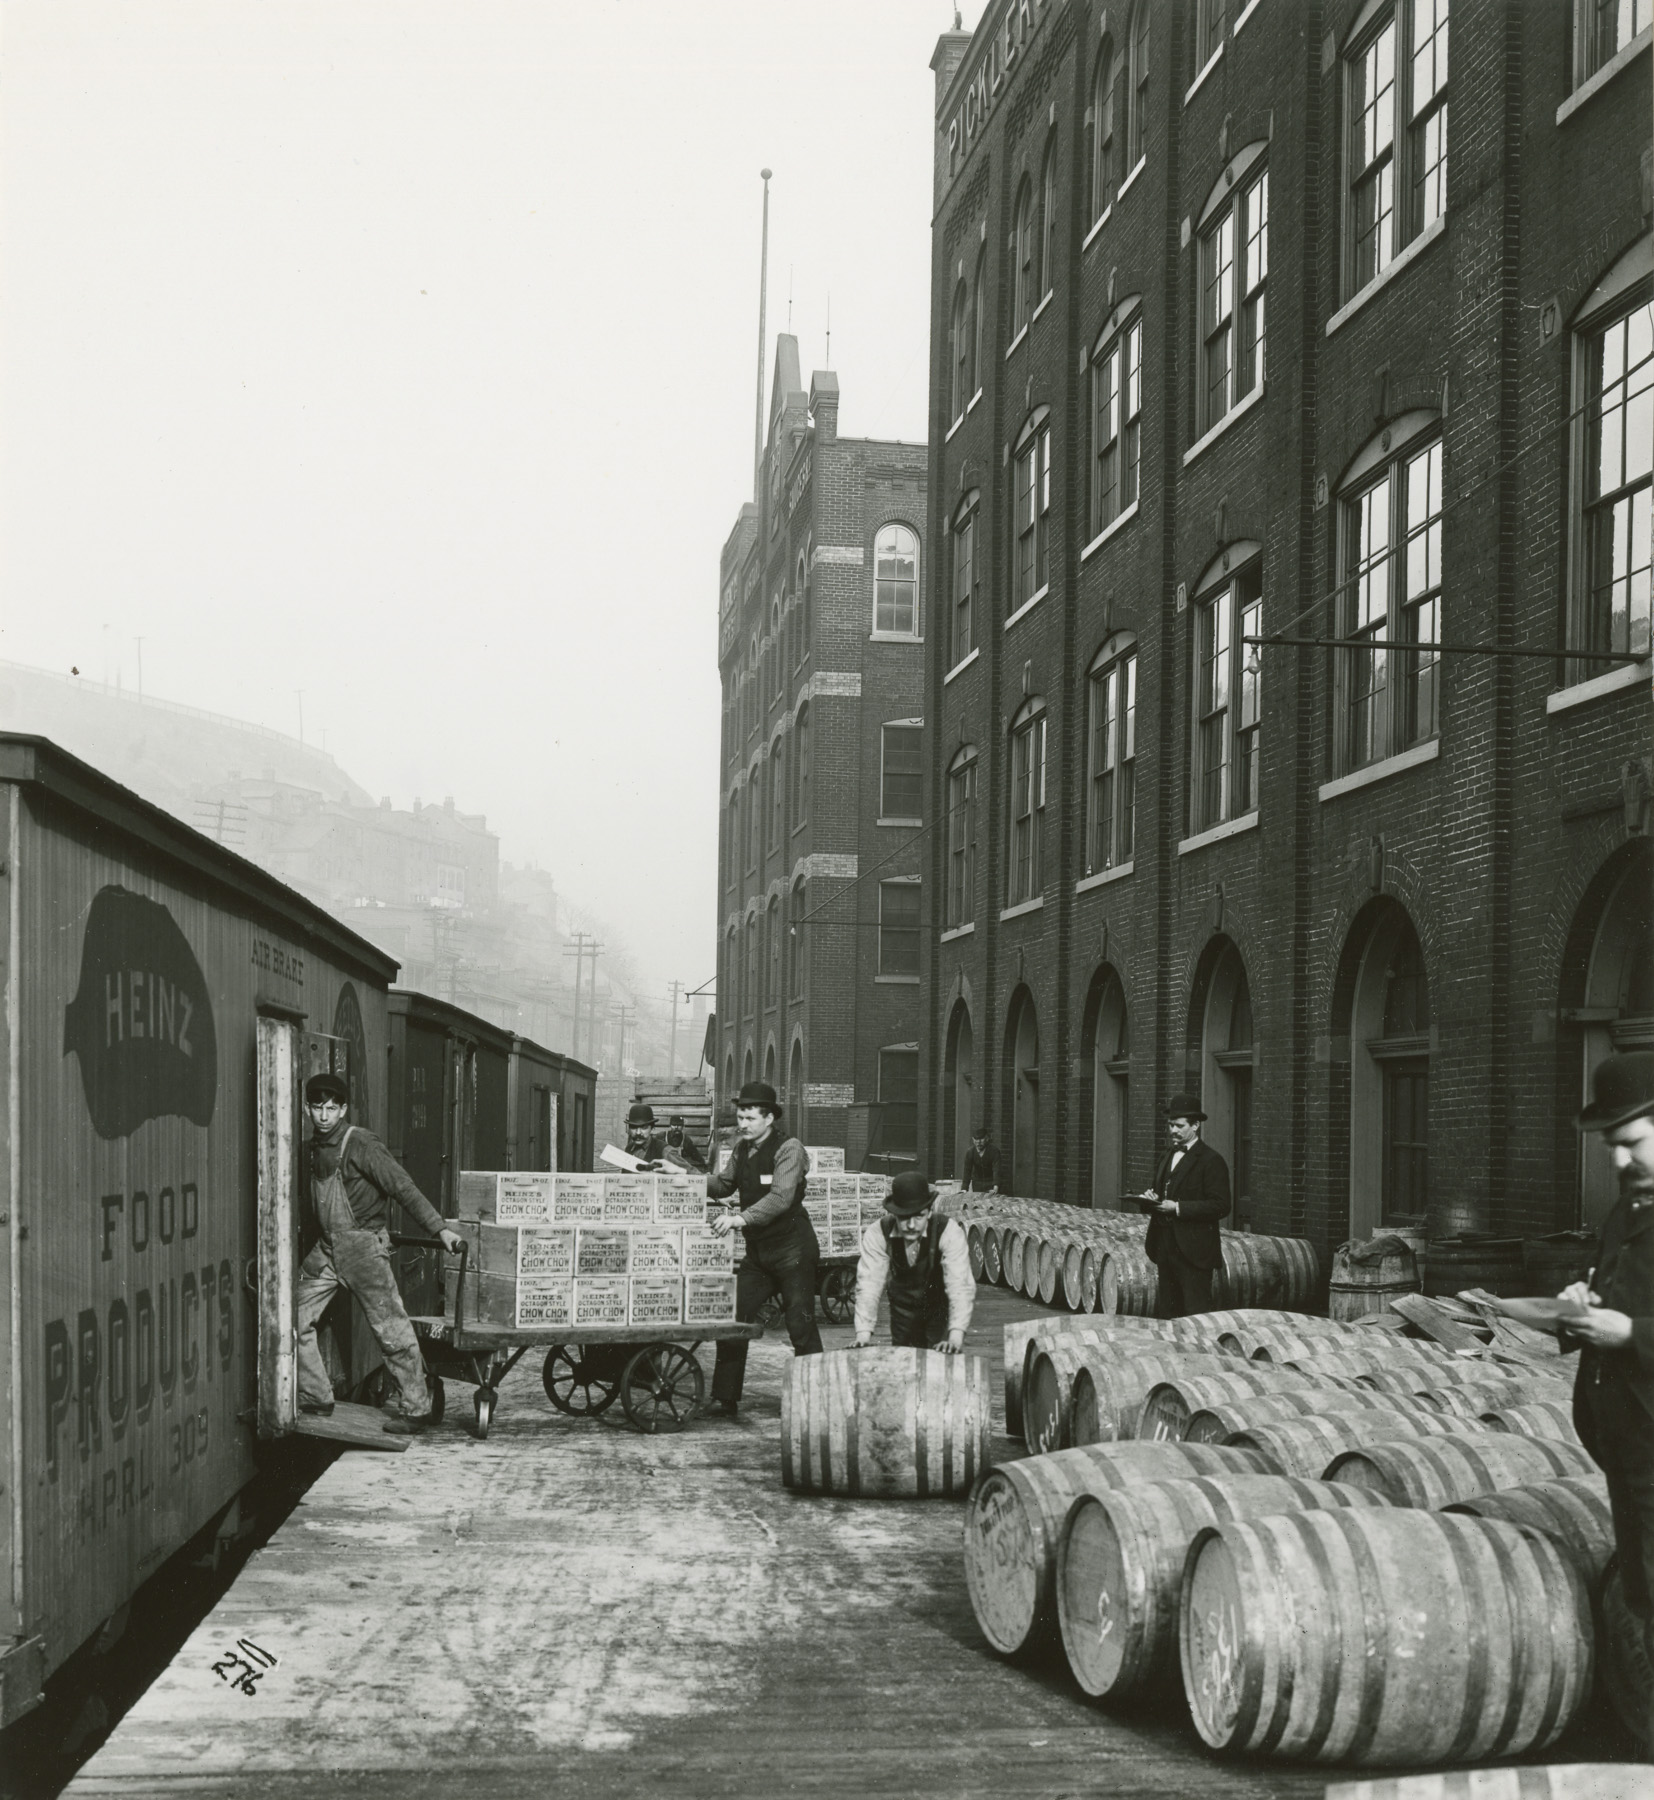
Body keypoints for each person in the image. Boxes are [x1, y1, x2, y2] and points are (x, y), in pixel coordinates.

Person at [1559, 1049, 1654, 1751]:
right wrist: (1584, 1303)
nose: (1621, 1162)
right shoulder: (1629, 1211)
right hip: (1627, 1443)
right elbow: (1619, 1289)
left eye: (1632, 1144)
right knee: (1645, 1598)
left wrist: (1632, 1332)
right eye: (1612, 1148)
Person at [296, 1071, 464, 1436]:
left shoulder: (362, 1144)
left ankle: (416, 1408)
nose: (323, 1116)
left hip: (364, 1250)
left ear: (342, 1110)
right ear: (307, 1108)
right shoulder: (313, 1148)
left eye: (331, 1108)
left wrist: (440, 1229)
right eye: (316, 1107)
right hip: (327, 1248)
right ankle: (316, 1396)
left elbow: (403, 1188)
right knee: (293, 1317)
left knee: (391, 1330)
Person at [705, 1080, 823, 1415]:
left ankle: (814, 1399)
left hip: (793, 1250)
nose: (741, 1124)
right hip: (759, 1253)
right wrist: (684, 1177)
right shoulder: (742, 1150)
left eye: (749, 1118)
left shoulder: (790, 1149)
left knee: (800, 1323)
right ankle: (725, 1398)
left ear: (768, 1118)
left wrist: (739, 1220)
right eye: (739, 1117)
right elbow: (724, 1184)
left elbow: (782, 1197)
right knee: (733, 1319)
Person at [851, 1170, 974, 1353]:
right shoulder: (878, 1233)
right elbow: (869, 1284)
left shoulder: (948, 1231)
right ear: (894, 1214)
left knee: (939, 1367)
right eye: (904, 1217)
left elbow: (960, 1285)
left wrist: (955, 1338)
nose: (911, 1225)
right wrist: (863, 1334)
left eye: (918, 1216)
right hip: (901, 1316)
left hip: (938, 1313)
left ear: (930, 1212)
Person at [1136, 1091, 1230, 1319]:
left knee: (1195, 1315)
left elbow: (1221, 1205)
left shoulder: (1211, 1160)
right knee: (1168, 1313)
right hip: (1164, 1246)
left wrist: (1178, 1208)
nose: (1173, 1131)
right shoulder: (1167, 1155)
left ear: (1196, 1125)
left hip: (1194, 1252)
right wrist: (1150, 1199)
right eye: (1170, 1125)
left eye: (1179, 1126)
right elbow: (1161, 1192)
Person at [961, 1126, 999, 1194]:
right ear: (973, 1140)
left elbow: (996, 1170)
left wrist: (995, 1187)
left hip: (991, 1183)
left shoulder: (994, 1151)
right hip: (977, 1184)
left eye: (981, 1139)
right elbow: (967, 1171)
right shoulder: (970, 1152)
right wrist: (964, 1189)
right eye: (976, 1139)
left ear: (987, 1139)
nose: (978, 1142)